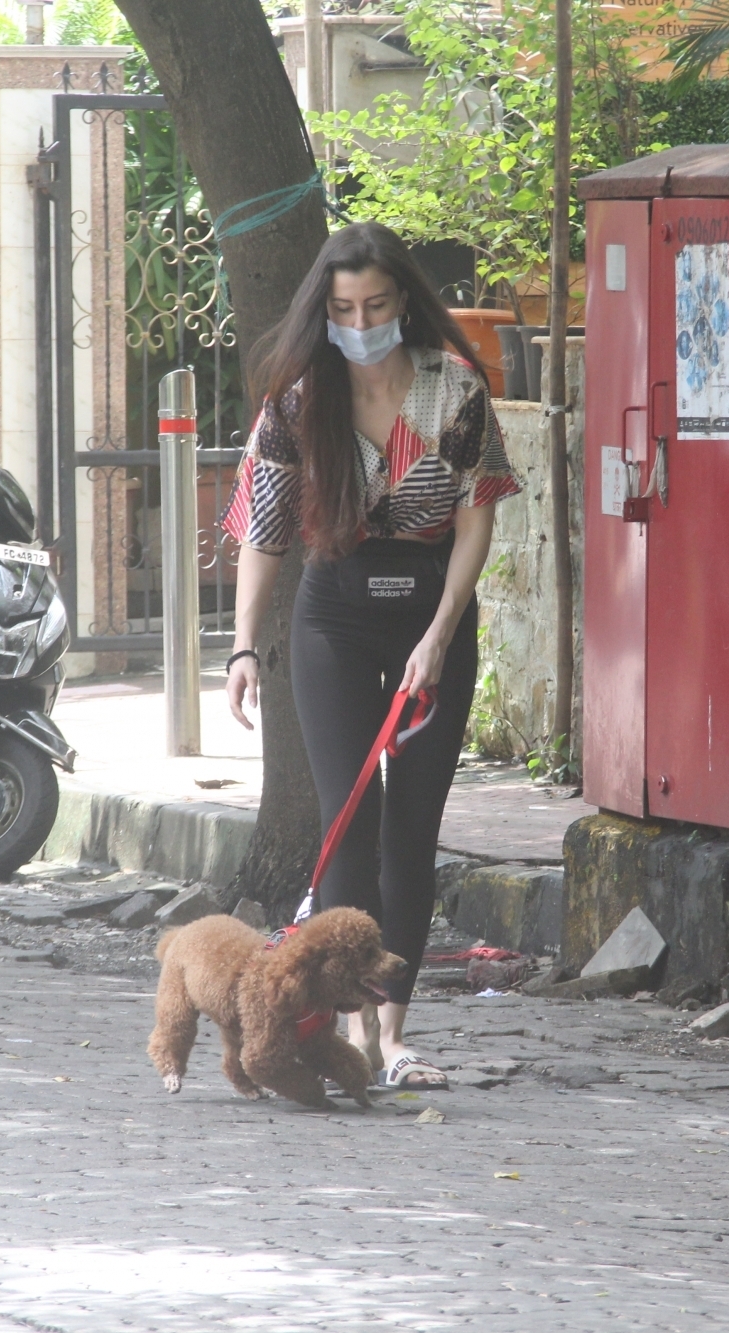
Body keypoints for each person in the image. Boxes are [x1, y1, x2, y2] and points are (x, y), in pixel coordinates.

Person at [222, 223, 519, 1090]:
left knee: (409, 832)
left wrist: (441, 630)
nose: (361, 322)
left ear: (404, 302)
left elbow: (477, 519)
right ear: (326, 310)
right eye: (344, 309)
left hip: (434, 607)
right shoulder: (296, 398)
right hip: (334, 615)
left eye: (377, 305)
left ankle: (396, 1037)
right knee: (349, 827)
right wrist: (243, 644)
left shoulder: (454, 390)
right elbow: (264, 533)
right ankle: (350, 1030)